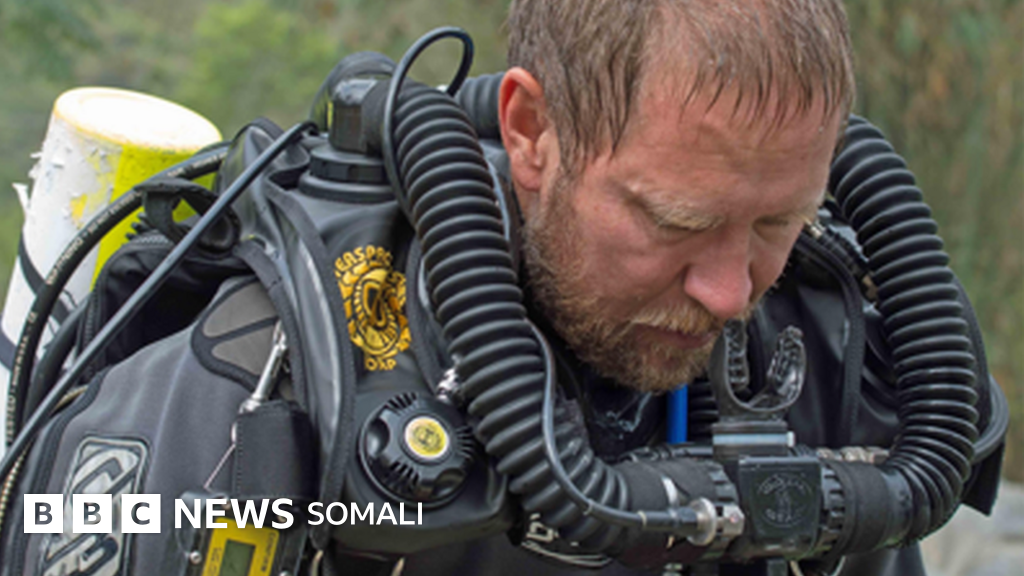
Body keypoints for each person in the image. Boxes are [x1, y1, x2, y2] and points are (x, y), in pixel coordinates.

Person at [0, 1, 1004, 575]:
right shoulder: (272, 379)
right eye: (676, 222)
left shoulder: (814, 357)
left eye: (777, 223)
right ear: (530, 133)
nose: (729, 289)